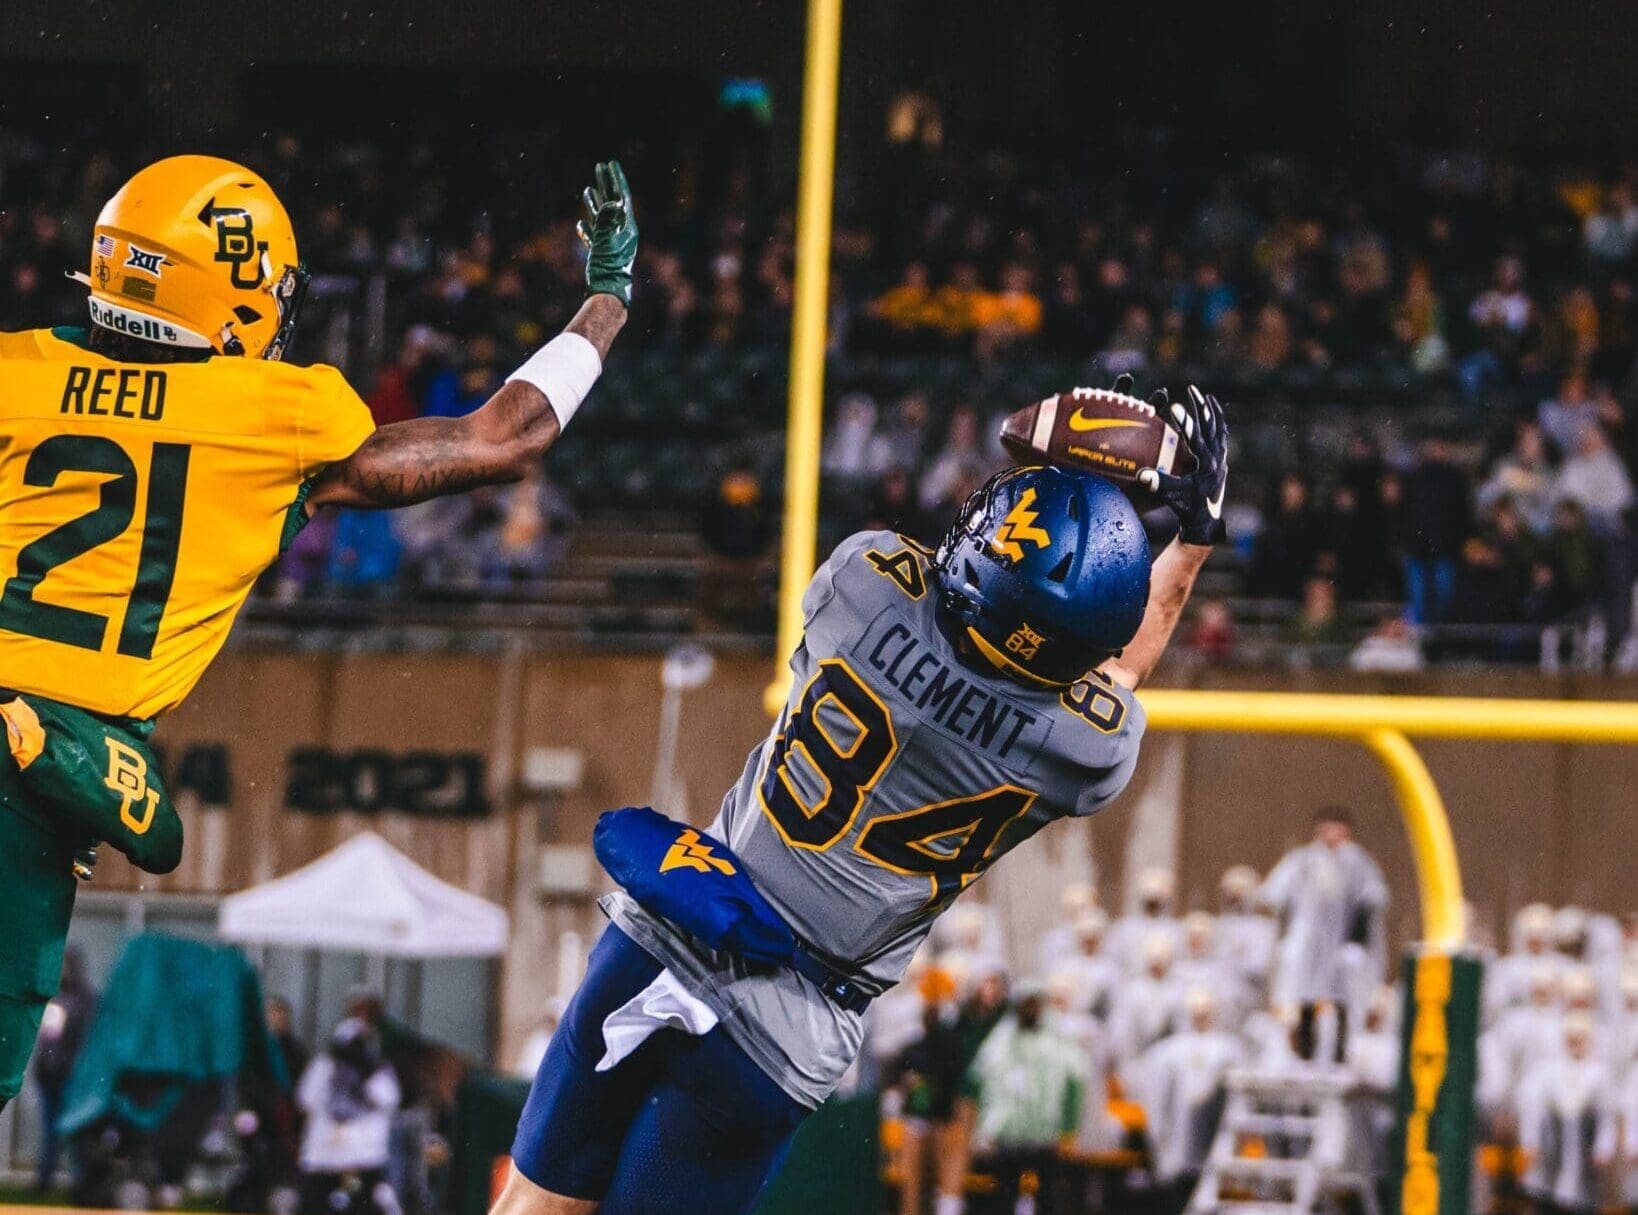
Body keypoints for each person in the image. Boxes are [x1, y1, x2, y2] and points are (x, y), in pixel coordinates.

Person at [494, 385, 1231, 1215]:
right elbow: (1121, 662)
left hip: (673, 919)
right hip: (784, 1024)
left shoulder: (861, 581)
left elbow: (974, 555)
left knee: (531, 1199)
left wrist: (1066, 474)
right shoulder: (1082, 744)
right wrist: (1190, 539)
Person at [0, 154, 638, 1110]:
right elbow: (508, 435)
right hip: (37, 791)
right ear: (235, 296)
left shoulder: (15, 369)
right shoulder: (281, 417)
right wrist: (607, 297)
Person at [1261, 807, 1389, 1064]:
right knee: (1305, 998)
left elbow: (1375, 897)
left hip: (1343, 943)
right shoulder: (1304, 860)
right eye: (1326, 827)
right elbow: (1274, 892)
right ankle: (1305, 1050)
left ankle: (1340, 1053)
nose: (1331, 833)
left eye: (1337, 827)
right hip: (1309, 941)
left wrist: (1357, 935)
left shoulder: (1358, 862)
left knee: (1342, 998)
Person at [962, 984, 1085, 1215]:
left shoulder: (1055, 1041)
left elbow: (1076, 1080)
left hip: (1045, 1134)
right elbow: (978, 1080)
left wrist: (1068, 1127)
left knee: (1048, 1199)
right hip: (1009, 1136)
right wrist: (983, 1127)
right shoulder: (1001, 1041)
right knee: (1003, 1199)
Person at [1136, 989, 1243, 1215]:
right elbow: (1156, 1100)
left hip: (1212, 1140)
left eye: (1204, 1013)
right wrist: (1159, 1139)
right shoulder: (1166, 1052)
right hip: (1176, 1141)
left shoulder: (1227, 1049)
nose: (1199, 1019)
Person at [297, 1017, 403, 1215]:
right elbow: (307, 1098)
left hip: (362, 1159)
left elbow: (388, 1099)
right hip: (324, 1158)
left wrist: (367, 1071)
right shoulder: (323, 1066)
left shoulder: (378, 1070)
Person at [30, 947, 94, 1193]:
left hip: (70, 1074)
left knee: (73, 1127)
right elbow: (48, 1039)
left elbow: (84, 1039)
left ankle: (80, 1180)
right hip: (51, 1074)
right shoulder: (55, 997)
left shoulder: (84, 998)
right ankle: (46, 1179)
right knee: (51, 1128)